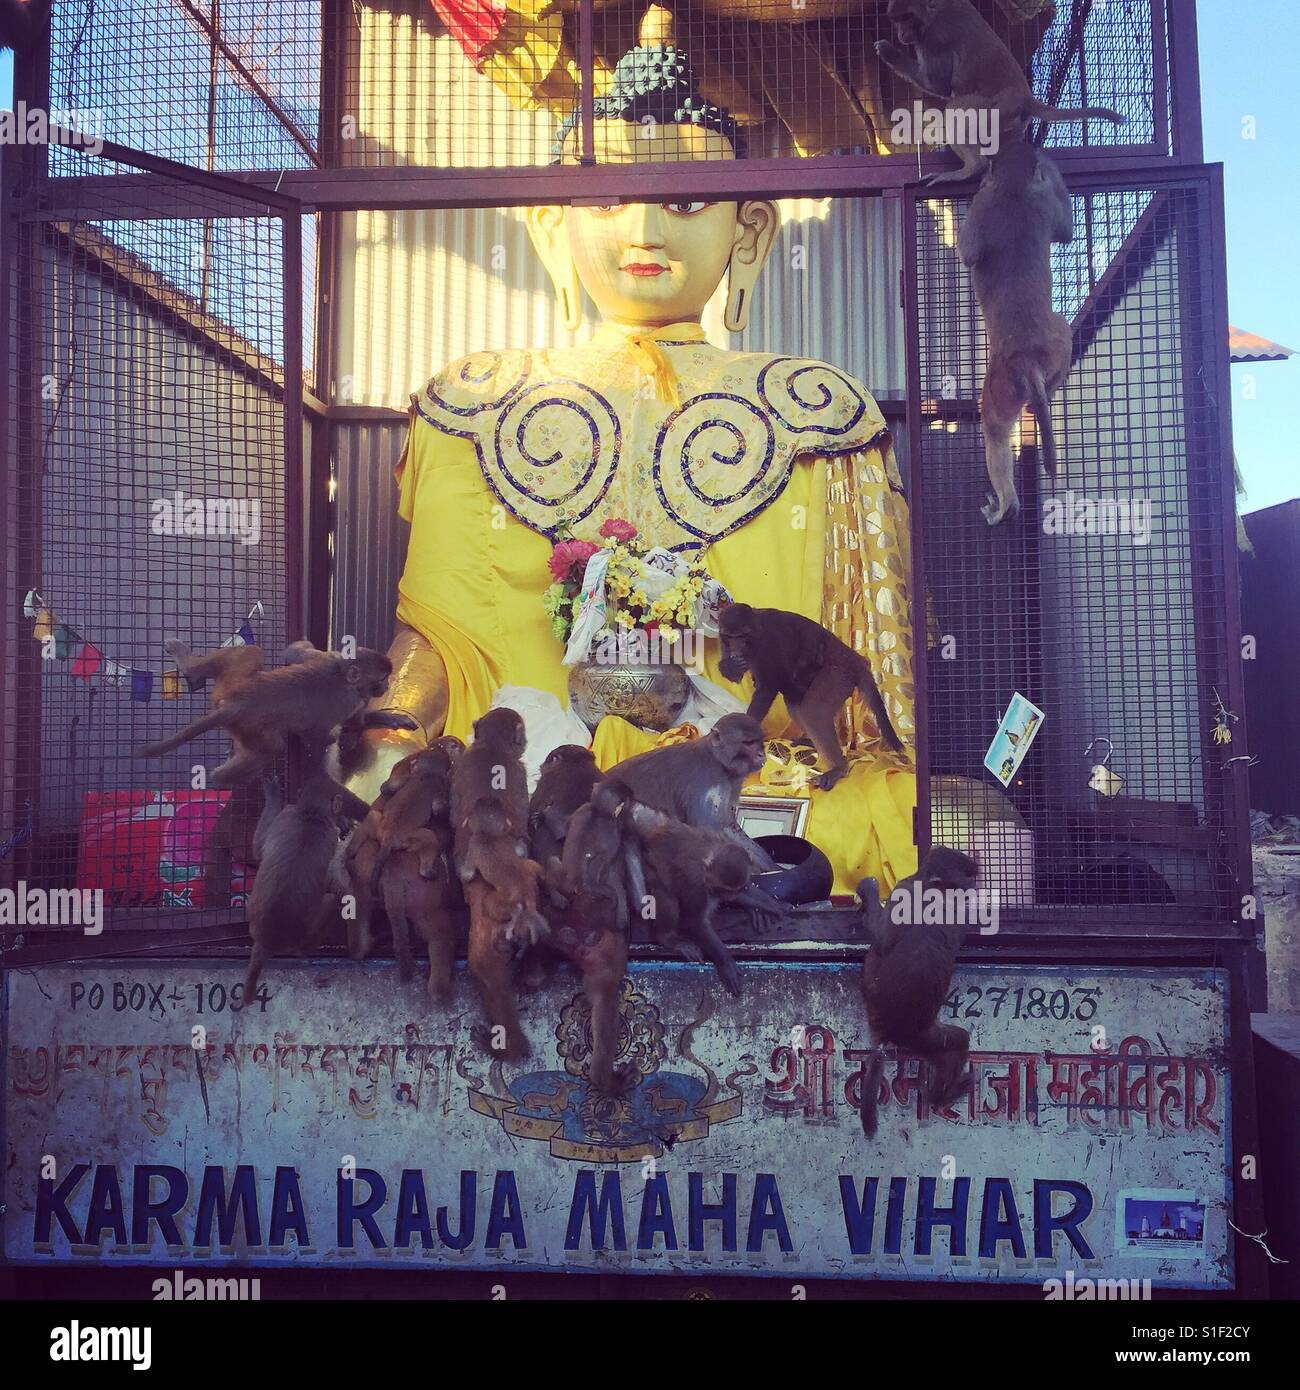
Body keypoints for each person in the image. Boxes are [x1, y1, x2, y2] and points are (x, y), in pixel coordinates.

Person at [349, 22, 918, 893]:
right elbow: (437, 634)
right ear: (550, 224)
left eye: (687, 201)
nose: (646, 226)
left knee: (929, 818)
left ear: (750, 231)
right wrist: (390, 730)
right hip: (534, 756)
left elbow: (851, 678)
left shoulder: (816, 409)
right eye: (609, 197)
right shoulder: (476, 400)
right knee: (378, 787)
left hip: (740, 760)